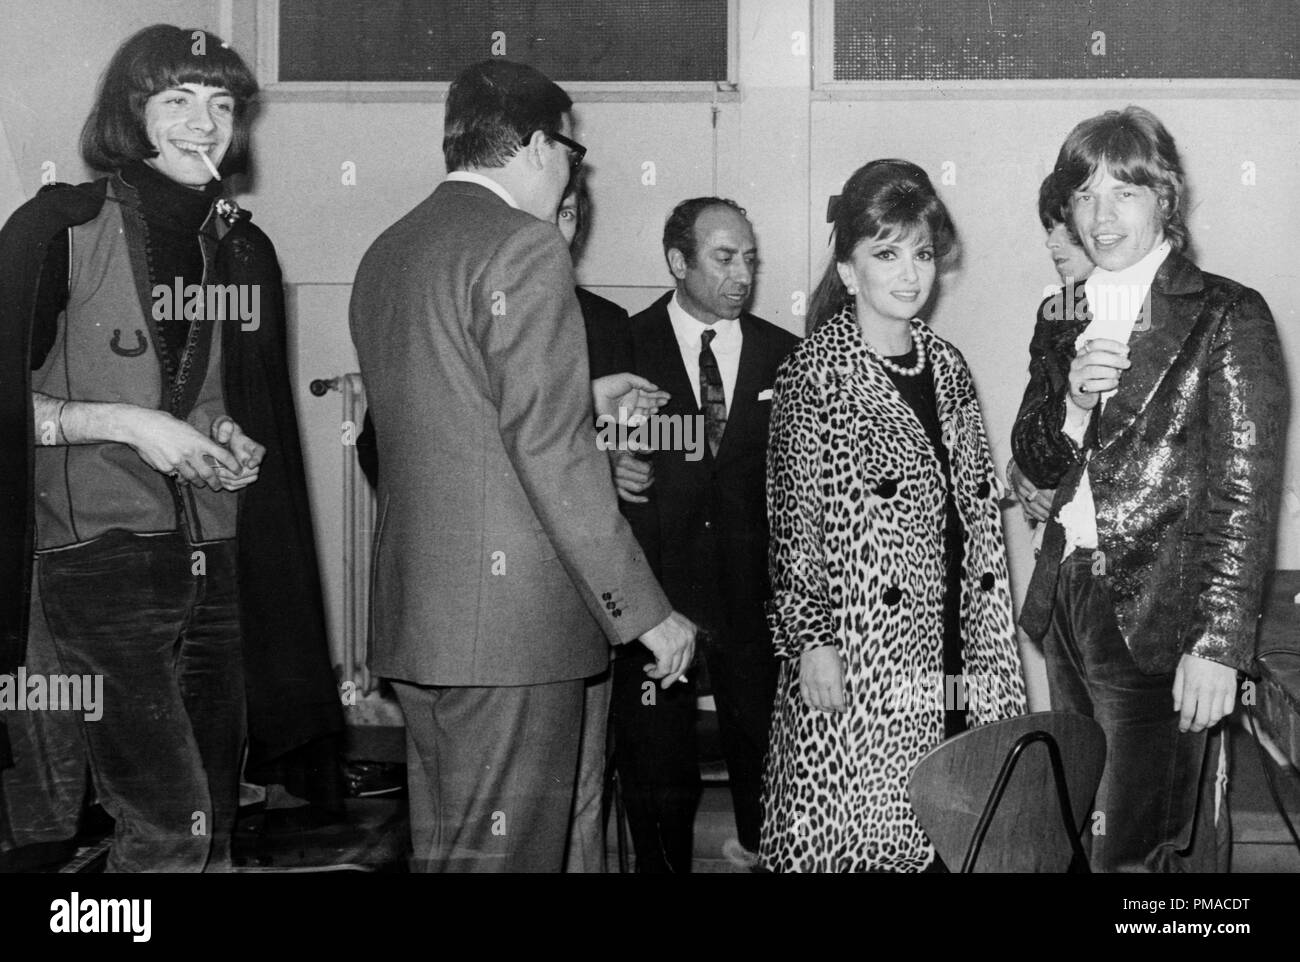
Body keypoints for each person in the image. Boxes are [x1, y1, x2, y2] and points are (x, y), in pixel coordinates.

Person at [0, 24, 341, 871]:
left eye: (222, 103)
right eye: (178, 99)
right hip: (97, 560)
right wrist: (123, 423)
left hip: (212, 555)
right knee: (169, 824)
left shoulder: (237, 247)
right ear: (132, 114)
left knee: (213, 822)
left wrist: (228, 441)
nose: (205, 122)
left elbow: (216, 397)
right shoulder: (57, 229)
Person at [348, 59, 695, 873]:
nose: (574, 170)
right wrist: (646, 611)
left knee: (455, 857)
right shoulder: (525, 247)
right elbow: (551, 453)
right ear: (539, 147)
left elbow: (460, 419)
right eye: (574, 151)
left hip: (424, 625)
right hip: (513, 637)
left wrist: (579, 400)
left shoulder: (389, 250)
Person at [1012, 106, 1288, 872]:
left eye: (1123, 193)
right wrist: (1071, 403)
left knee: (1136, 840)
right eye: (1085, 195)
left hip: (1162, 617)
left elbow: (1244, 494)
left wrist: (1219, 646)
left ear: (1164, 198)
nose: (1101, 217)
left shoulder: (1228, 313)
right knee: (1080, 823)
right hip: (1069, 593)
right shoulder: (1060, 312)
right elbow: (1030, 459)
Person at [762, 159, 1027, 873]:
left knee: (957, 828)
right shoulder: (812, 373)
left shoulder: (948, 365)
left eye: (922, 253)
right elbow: (794, 528)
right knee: (868, 837)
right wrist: (810, 640)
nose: (909, 273)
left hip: (956, 642)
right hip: (863, 649)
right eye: (886, 253)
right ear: (848, 271)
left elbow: (969, 517)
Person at [603, 197, 798, 872]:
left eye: (749, 257)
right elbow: (566, 449)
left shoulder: (785, 355)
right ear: (678, 262)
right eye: (724, 257)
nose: (741, 272)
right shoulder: (623, 345)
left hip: (755, 601)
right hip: (658, 597)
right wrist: (609, 464)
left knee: (768, 770)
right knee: (657, 773)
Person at [1007, 173, 1094, 524]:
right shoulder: (1056, 313)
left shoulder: (1154, 311)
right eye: (1049, 229)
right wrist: (1021, 472)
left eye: (1066, 229)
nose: (1052, 244)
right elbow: (1031, 420)